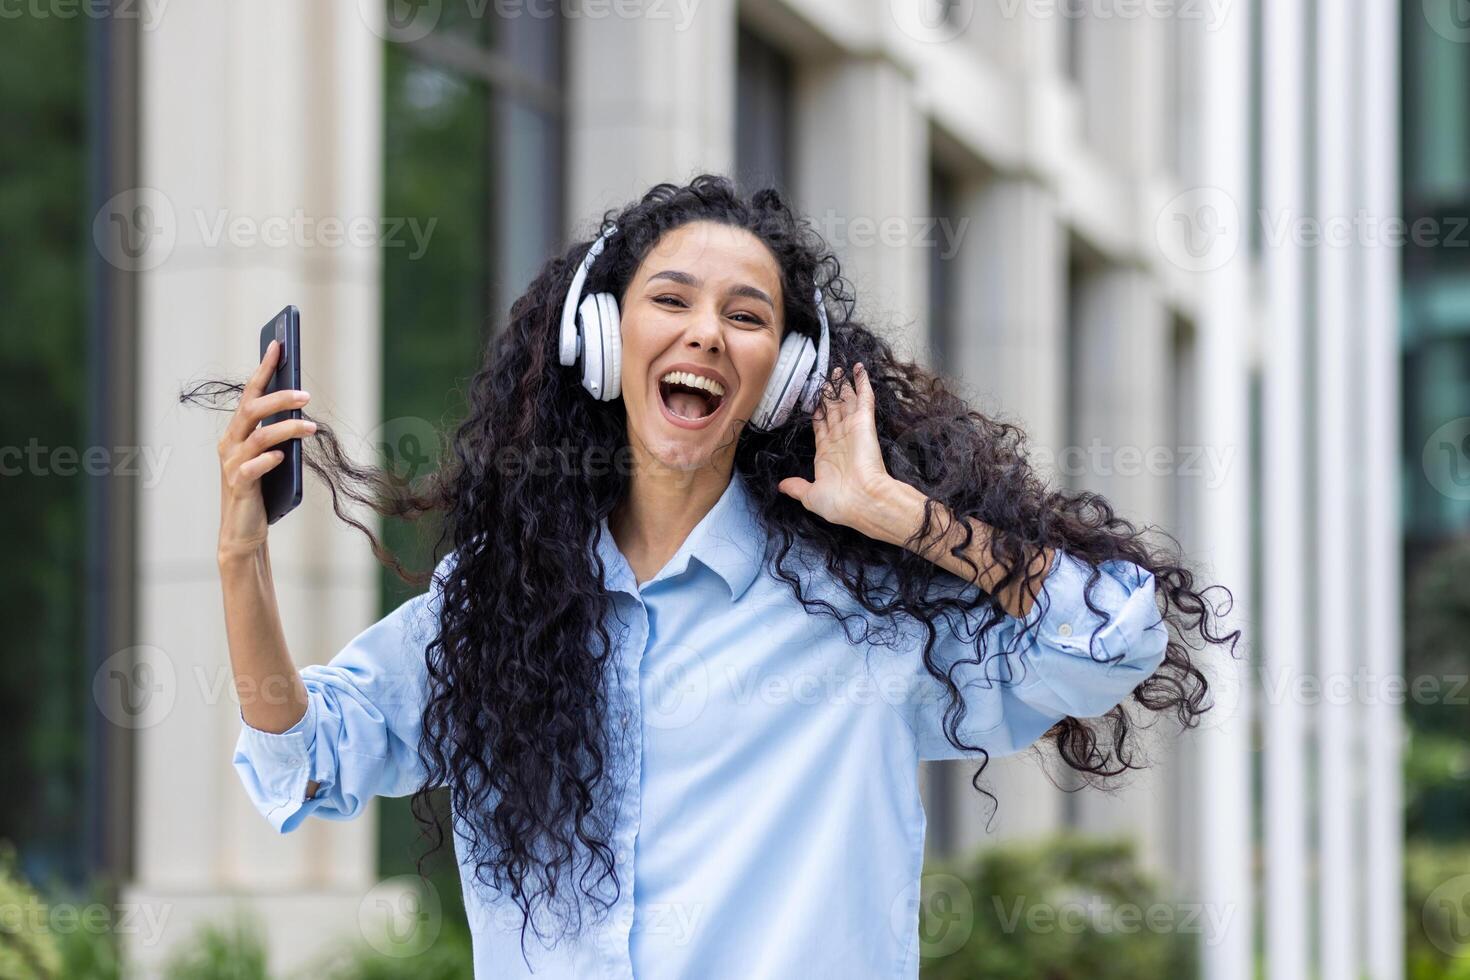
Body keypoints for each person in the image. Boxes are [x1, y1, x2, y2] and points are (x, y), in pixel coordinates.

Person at [208, 174, 1235, 979]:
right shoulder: (499, 600)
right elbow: (302, 760)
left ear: (783, 372)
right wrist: (242, 558)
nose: (705, 330)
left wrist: (904, 517)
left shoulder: (863, 615)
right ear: (603, 342)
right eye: (671, 299)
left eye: (746, 315)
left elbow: (1110, 629)